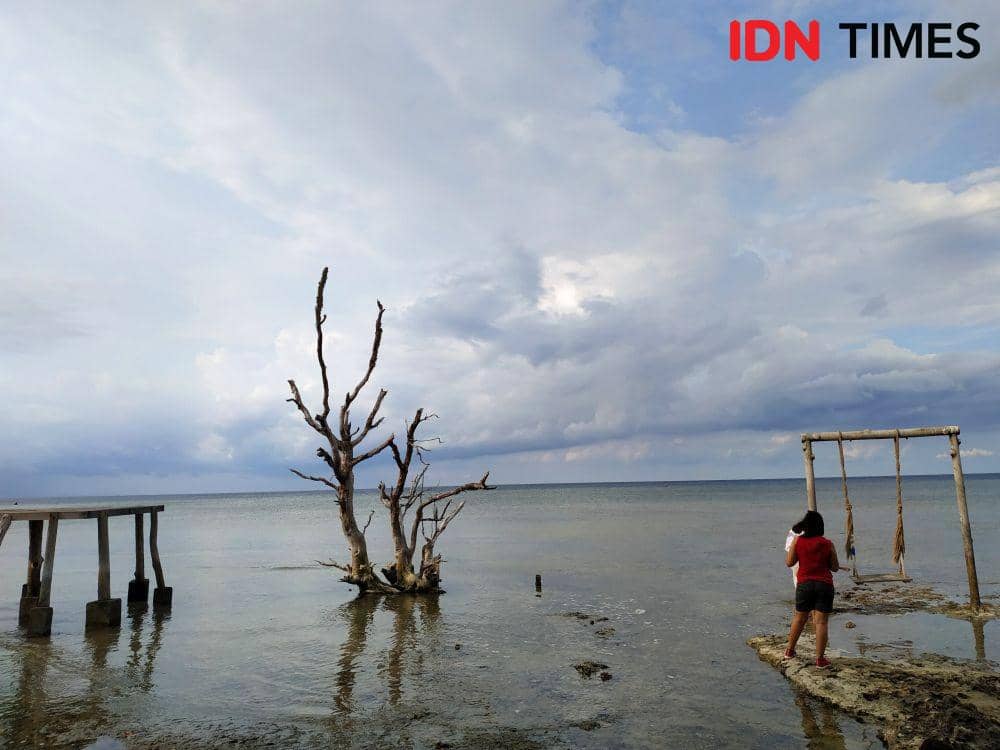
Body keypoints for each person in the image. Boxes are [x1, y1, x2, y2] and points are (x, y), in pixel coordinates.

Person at [784, 510, 851, 668]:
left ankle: (789, 651)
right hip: (824, 585)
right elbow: (834, 567)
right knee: (821, 623)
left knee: (799, 618)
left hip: (804, 584)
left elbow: (789, 562)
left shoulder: (797, 541)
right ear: (821, 526)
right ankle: (820, 659)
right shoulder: (827, 543)